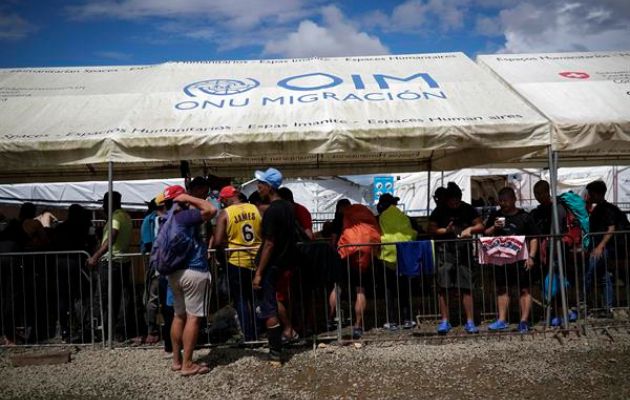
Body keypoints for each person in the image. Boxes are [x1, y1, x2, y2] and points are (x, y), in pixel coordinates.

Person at [162, 184, 217, 376]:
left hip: (174, 273)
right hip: (194, 270)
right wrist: (190, 198)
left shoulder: (165, 219)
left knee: (179, 316)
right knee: (193, 318)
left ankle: (177, 361)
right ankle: (188, 364)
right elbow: (211, 209)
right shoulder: (184, 216)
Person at [251, 167, 297, 363]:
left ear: (269, 187)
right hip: (284, 262)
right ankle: (281, 342)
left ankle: (275, 353)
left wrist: (259, 272)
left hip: (271, 265)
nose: (257, 187)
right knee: (276, 302)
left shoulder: (272, 211)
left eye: (260, 184)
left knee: (269, 308)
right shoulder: (289, 208)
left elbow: (269, 243)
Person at [429, 182, 484, 334]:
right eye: (451, 200)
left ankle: (470, 321)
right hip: (445, 252)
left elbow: (481, 226)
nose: (454, 203)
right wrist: (444, 230)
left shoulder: (467, 209)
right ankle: (445, 321)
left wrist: (470, 229)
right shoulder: (439, 210)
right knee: (443, 288)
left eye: (457, 199)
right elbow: (431, 228)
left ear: (460, 198)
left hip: (464, 252)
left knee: (466, 287)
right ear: (446, 199)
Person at [484, 187, 539, 333]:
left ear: (514, 200)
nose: (503, 204)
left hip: (521, 259)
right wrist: (494, 228)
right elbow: (486, 233)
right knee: (502, 289)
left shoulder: (525, 217)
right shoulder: (495, 215)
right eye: (501, 201)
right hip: (501, 259)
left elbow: (534, 238)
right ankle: (502, 320)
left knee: (524, 289)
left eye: (506, 201)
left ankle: (524, 321)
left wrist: (532, 257)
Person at [212, 185, 262, 341]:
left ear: (227, 199)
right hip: (257, 258)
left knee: (241, 299)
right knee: (256, 298)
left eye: (223, 201)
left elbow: (218, 240)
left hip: (236, 260)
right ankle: (259, 330)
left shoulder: (225, 214)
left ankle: (248, 335)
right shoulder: (256, 209)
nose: (222, 204)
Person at [86, 192, 133, 341]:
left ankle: (103, 331)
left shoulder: (116, 217)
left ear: (109, 203)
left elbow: (112, 236)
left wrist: (95, 256)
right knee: (118, 298)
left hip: (111, 262)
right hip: (121, 261)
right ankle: (117, 331)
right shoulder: (124, 216)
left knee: (104, 298)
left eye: (104, 203)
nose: (103, 206)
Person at [335, 203, 381, 339]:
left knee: (336, 287)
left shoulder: (341, 218)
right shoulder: (365, 217)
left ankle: (332, 321)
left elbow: (334, 238)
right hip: (364, 255)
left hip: (345, 254)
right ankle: (357, 325)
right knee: (360, 290)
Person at [584, 180, 629, 314]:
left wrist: (600, 247)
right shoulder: (601, 208)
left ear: (597, 194)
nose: (588, 196)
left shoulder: (606, 209)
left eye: (590, 194)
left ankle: (585, 303)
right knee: (604, 276)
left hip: (607, 249)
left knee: (589, 273)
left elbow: (611, 228)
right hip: (605, 248)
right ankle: (607, 307)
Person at [377, 193, 417, 330]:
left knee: (389, 289)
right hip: (404, 254)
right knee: (404, 288)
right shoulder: (403, 216)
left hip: (388, 256)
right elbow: (414, 231)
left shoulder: (380, 217)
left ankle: (391, 320)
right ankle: (407, 319)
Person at [140, 193, 167, 345]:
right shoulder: (152, 220)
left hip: (158, 263)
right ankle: (153, 330)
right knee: (153, 298)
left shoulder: (152, 220)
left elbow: (149, 244)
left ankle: (153, 331)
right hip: (160, 264)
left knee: (152, 298)